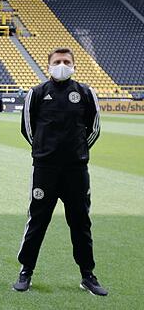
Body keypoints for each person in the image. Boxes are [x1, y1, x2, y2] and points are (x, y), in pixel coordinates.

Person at [14, 47, 107, 296]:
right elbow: (27, 128)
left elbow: (94, 128)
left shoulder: (86, 93)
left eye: (66, 61)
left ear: (74, 65)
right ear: (49, 65)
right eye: (57, 61)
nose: (62, 65)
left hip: (76, 170)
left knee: (80, 222)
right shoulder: (37, 93)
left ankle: (87, 275)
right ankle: (26, 271)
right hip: (45, 170)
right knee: (37, 220)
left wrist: (76, 152)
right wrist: (44, 152)